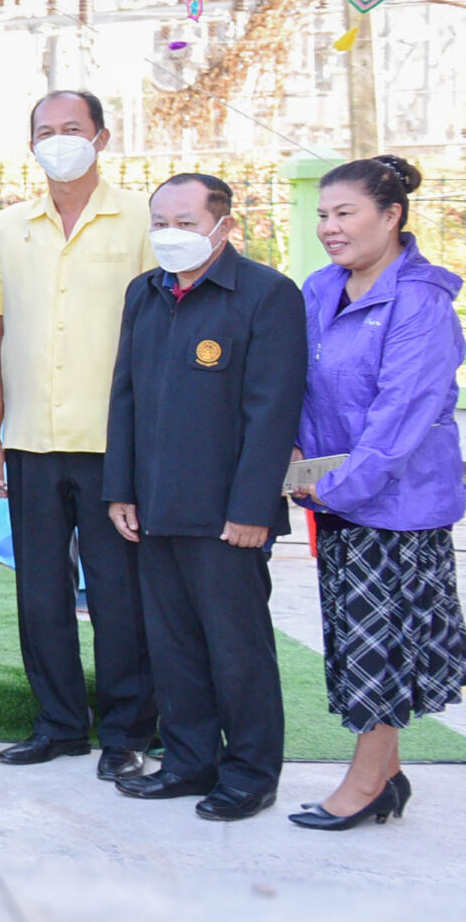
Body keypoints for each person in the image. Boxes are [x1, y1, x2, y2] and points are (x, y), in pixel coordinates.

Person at [105, 172, 306, 822]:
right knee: (173, 645)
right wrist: (121, 489)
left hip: (227, 516)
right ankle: (189, 761)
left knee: (237, 649)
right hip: (155, 504)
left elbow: (273, 411)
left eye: (186, 223)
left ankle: (249, 773)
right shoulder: (145, 292)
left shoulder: (267, 294)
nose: (170, 234)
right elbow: (125, 396)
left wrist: (252, 509)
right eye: (160, 222)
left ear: (225, 226)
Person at [0, 91, 158, 778]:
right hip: (30, 440)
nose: (59, 141)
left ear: (102, 137)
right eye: (46, 131)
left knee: (118, 595)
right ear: (31, 144)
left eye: (73, 129)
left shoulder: (140, 218)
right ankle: (58, 723)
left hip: (114, 444)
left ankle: (125, 732)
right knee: (40, 592)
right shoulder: (8, 227)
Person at [291, 156, 466, 829]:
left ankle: (365, 783)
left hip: (395, 507)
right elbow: (299, 384)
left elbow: (400, 418)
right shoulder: (320, 288)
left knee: (383, 644)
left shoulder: (420, 302)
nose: (330, 227)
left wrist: (334, 488)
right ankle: (386, 778)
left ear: (392, 216)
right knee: (354, 636)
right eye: (323, 215)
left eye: (346, 213)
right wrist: (297, 459)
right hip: (332, 495)